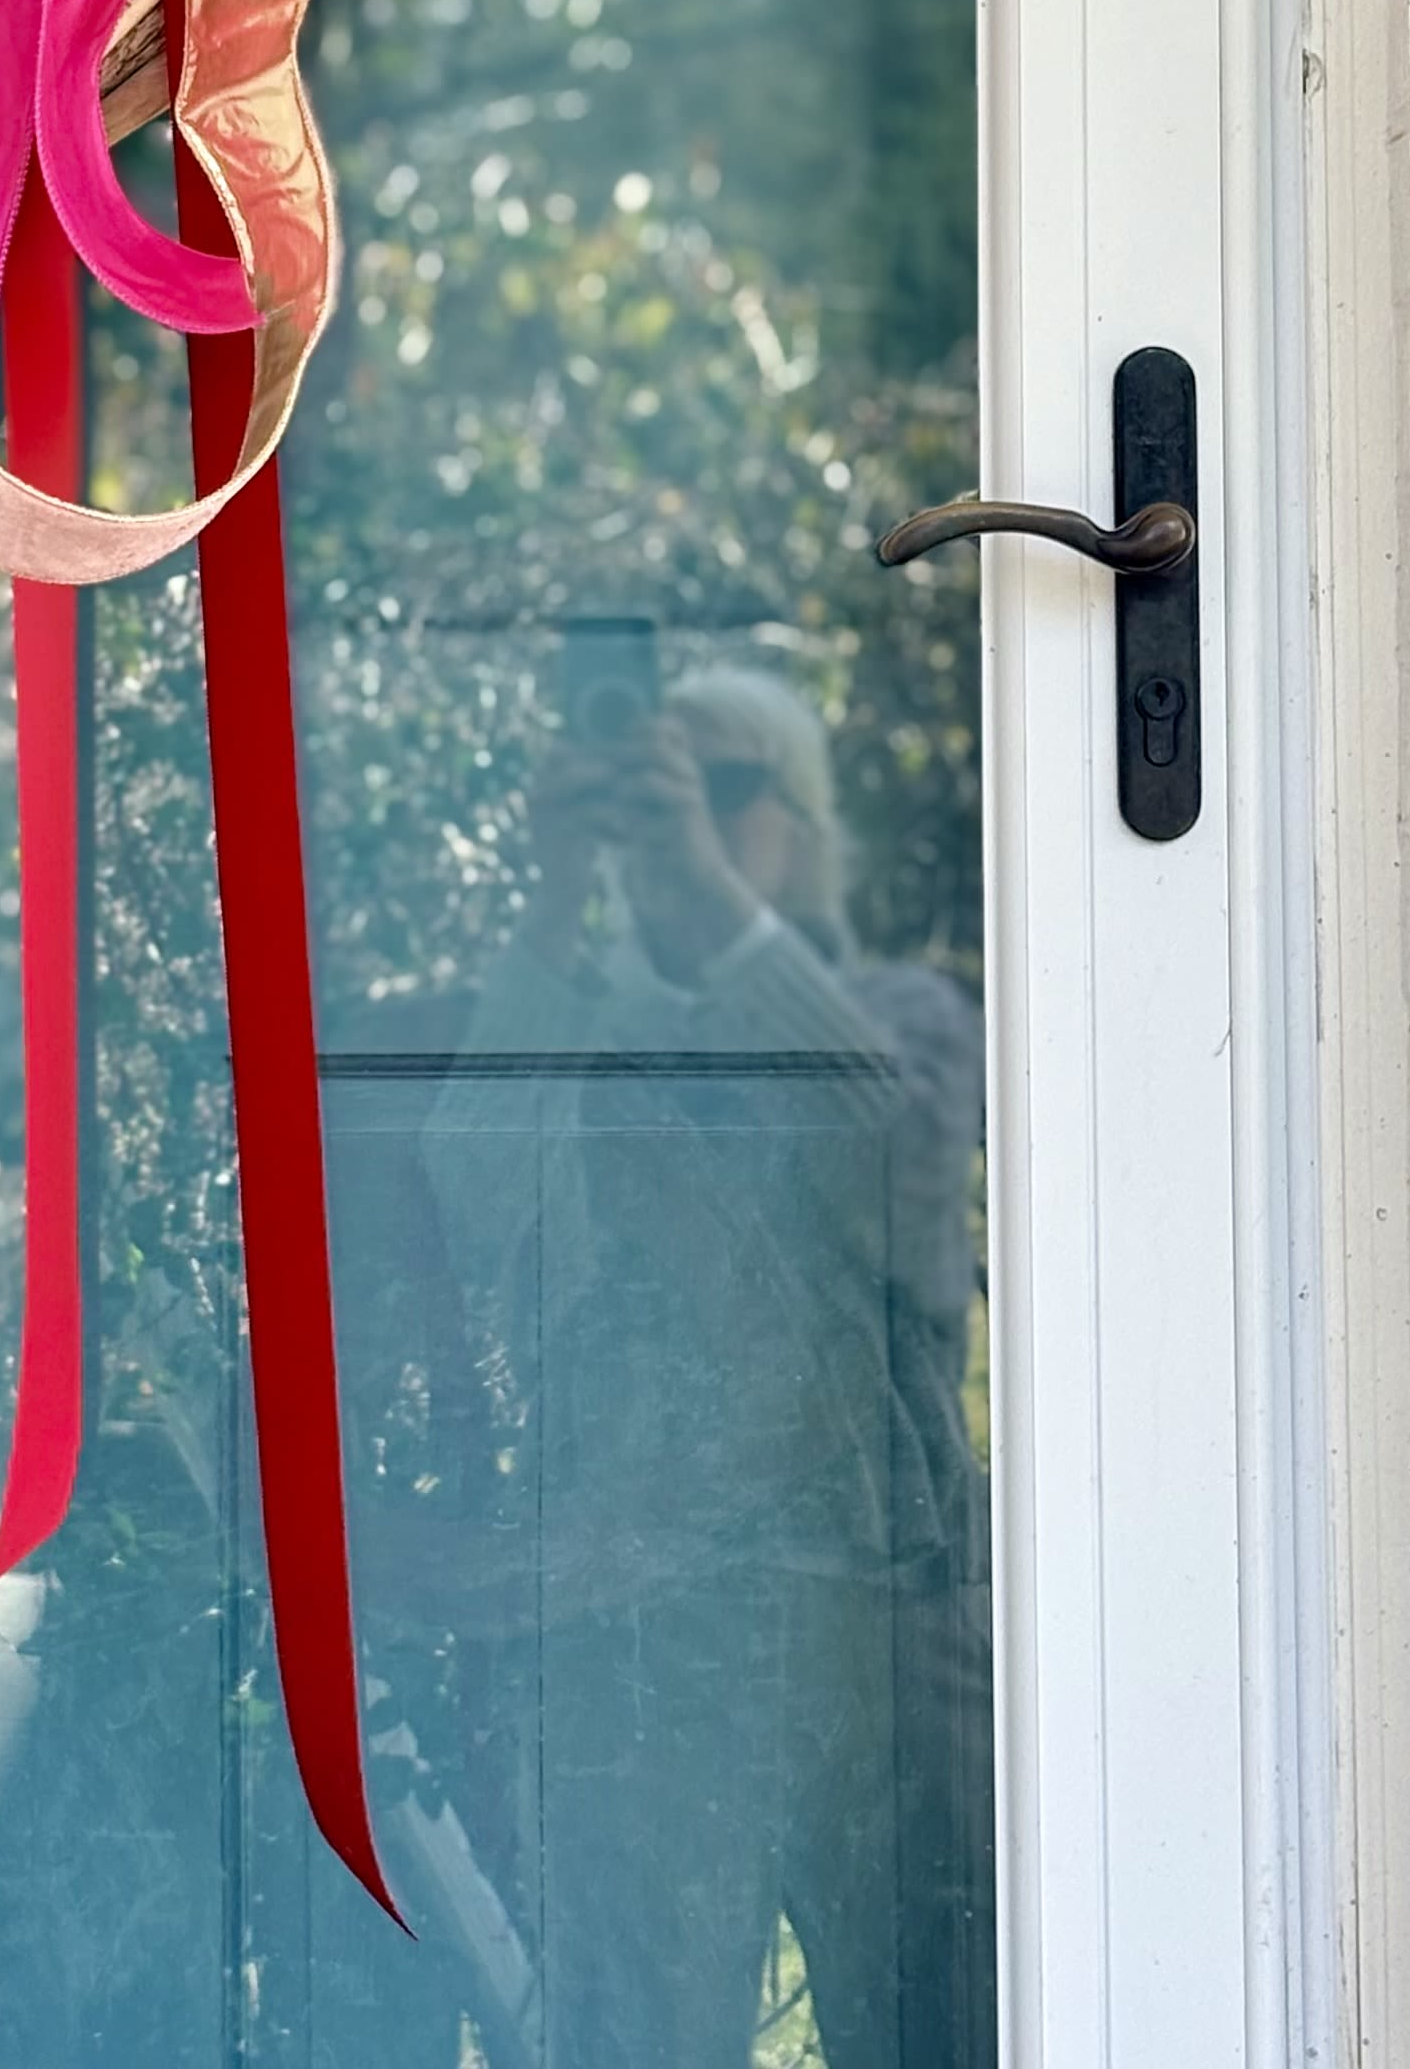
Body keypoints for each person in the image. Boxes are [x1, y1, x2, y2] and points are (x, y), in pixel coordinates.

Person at [416, 666, 995, 2069]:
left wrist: (716, 921)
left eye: (725, 791)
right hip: (641, 1623)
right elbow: (466, 1192)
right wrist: (557, 908)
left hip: (883, 1624)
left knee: (941, 2017)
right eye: (652, 791)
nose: (686, 821)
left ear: (801, 824)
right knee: (639, 2035)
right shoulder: (576, 1030)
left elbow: (899, 1188)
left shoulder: (901, 1019)